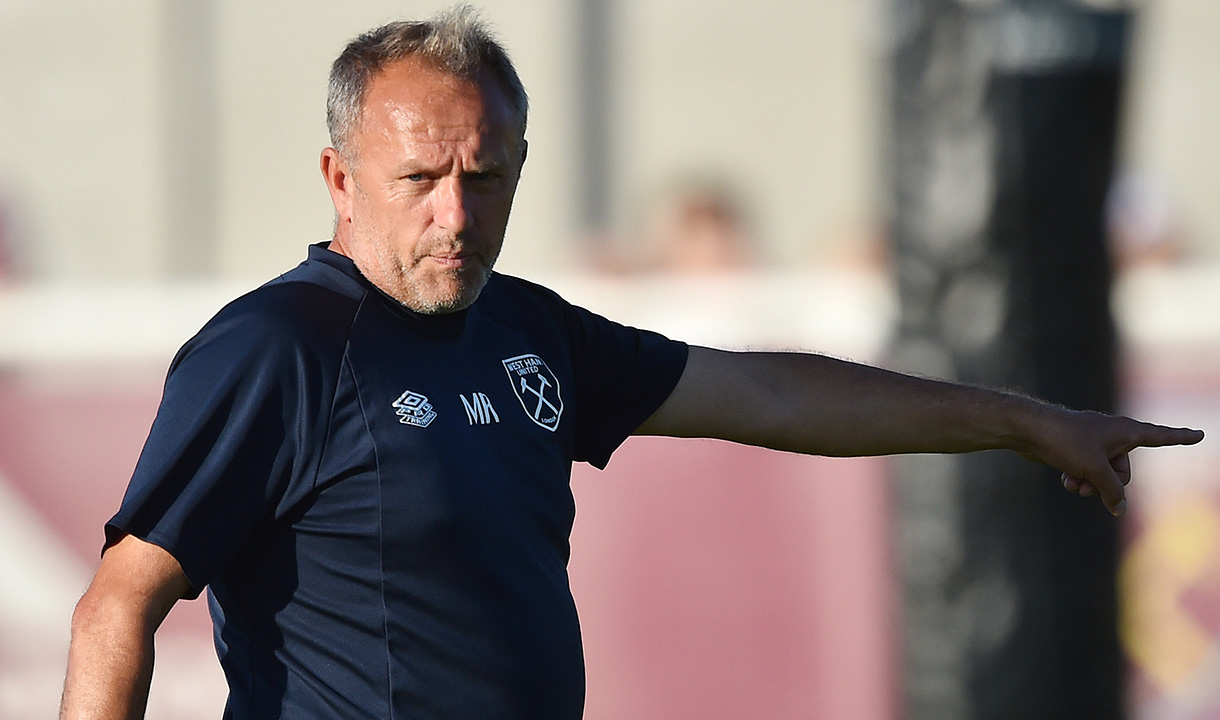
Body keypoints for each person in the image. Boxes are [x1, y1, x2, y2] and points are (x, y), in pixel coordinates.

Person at [59, 7, 1203, 720]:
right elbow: (121, 601)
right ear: (339, 179)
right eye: (419, 179)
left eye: (487, 173)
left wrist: (1021, 419)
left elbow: (766, 391)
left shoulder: (527, 332)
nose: (456, 212)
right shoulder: (279, 347)